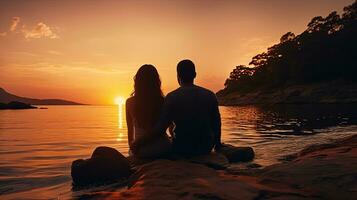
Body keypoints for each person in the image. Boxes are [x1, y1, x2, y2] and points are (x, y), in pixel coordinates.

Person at [132, 59, 222, 156]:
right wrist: (217, 145)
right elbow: (217, 123)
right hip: (205, 147)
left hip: (182, 148)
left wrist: (138, 143)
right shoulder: (210, 95)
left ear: (177, 76)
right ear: (195, 74)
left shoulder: (172, 97)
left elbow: (161, 128)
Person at [126, 64, 171, 158]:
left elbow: (130, 133)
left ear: (137, 82)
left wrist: (133, 148)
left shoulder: (130, 102)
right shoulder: (163, 101)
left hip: (142, 150)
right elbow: (169, 129)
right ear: (156, 82)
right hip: (163, 149)